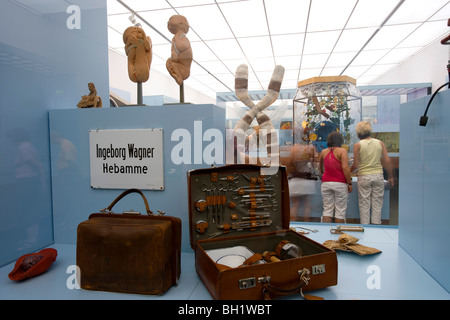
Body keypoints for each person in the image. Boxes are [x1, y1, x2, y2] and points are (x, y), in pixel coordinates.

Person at [350, 121, 394, 224]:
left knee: (364, 204)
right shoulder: (379, 143)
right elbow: (387, 161)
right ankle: (376, 227)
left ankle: (365, 228)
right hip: (378, 175)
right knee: (377, 204)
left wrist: (347, 172)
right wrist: (391, 176)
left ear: (358, 133)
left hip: (364, 176)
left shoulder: (358, 145)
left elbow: (355, 164)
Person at [319, 132, 352, 223]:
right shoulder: (342, 151)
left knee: (327, 210)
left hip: (326, 183)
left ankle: (325, 233)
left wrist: (323, 172)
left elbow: (320, 167)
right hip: (340, 183)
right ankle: (338, 233)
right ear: (340, 140)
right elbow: (345, 168)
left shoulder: (323, 152)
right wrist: (349, 183)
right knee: (340, 211)